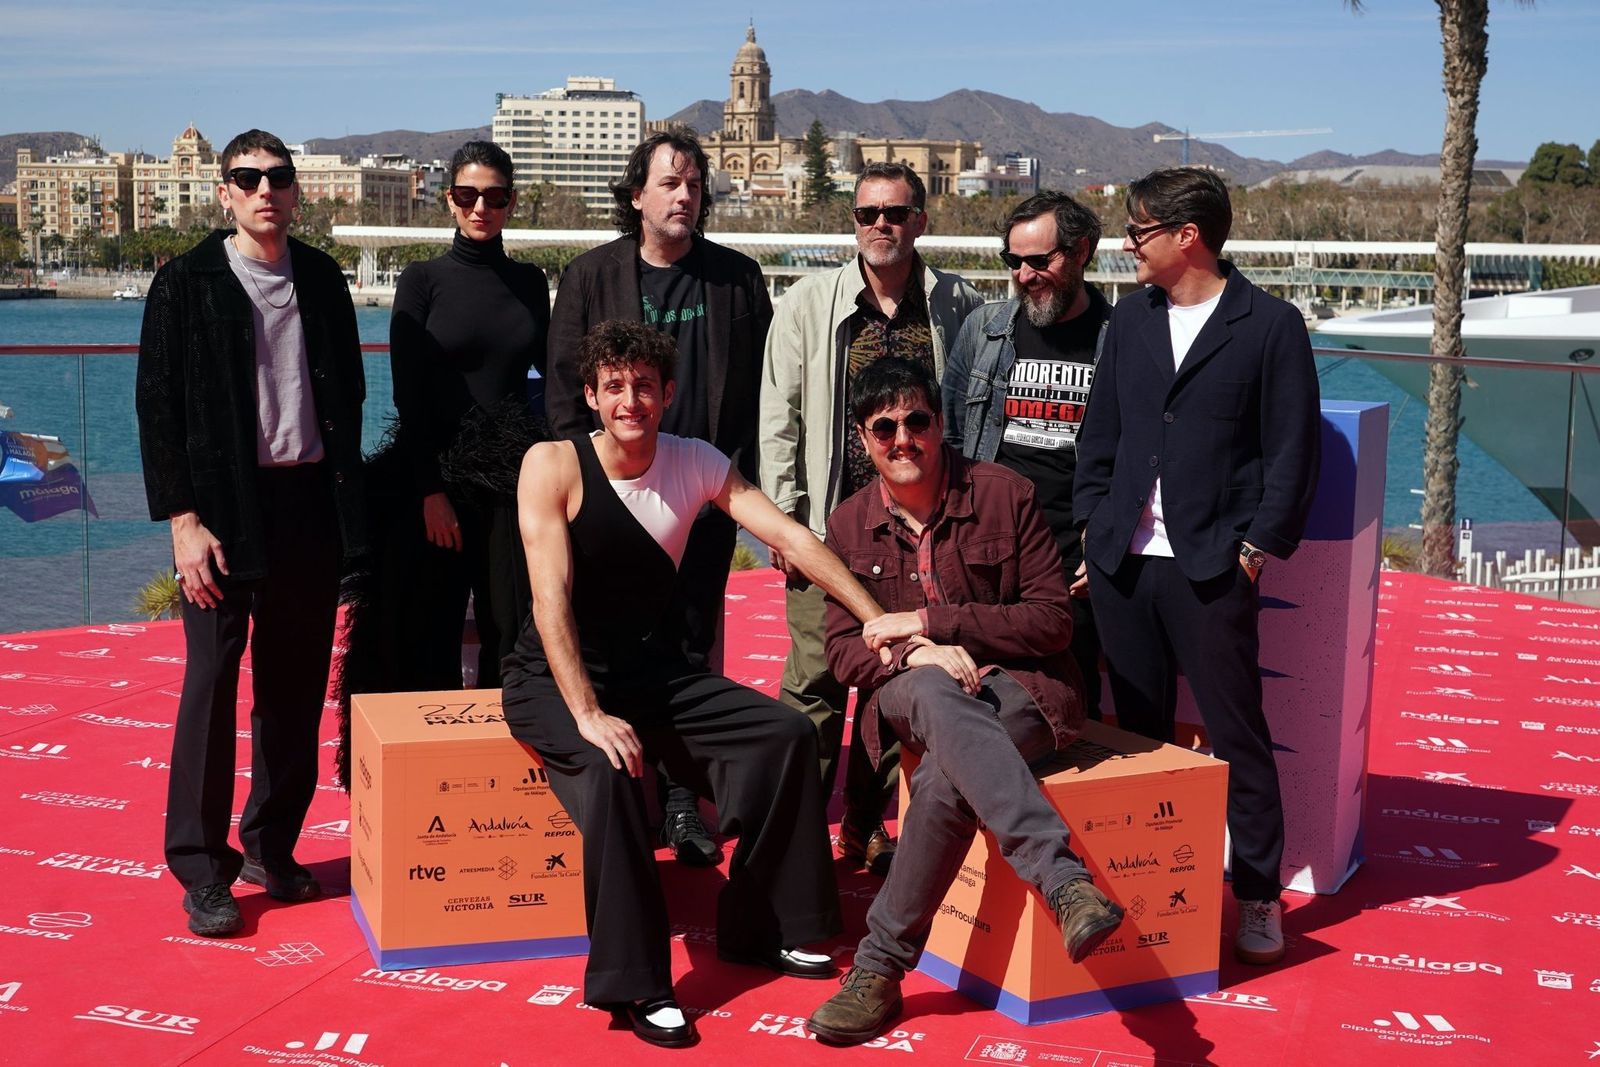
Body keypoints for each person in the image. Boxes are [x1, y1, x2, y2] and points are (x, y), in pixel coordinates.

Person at [503, 320, 885, 1048]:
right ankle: (637, 983)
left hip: (650, 671)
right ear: (590, 394)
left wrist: (878, 618)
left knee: (784, 734)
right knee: (615, 771)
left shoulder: (696, 461)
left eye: (644, 385)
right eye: (614, 386)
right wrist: (586, 712)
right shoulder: (551, 464)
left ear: (668, 393)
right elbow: (549, 598)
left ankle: (763, 924)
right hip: (551, 676)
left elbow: (794, 538)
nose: (630, 400)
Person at [804, 357, 1123, 1044]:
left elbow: (1053, 620)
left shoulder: (1005, 493)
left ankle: (880, 967)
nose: (903, 438)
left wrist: (933, 622)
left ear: (941, 423)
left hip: (1024, 690)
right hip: (913, 693)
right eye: (883, 427)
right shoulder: (850, 524)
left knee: (950, 774)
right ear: (863, 440)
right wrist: (921, 652)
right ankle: (1063, 879)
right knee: (928, 687)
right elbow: (843, 651)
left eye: (917, 420)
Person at [1073, 167, 1321, 966]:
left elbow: (1292, 453)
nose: (1126, 244)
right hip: (1123, 564)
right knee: (1135, 739)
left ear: (1188, 238)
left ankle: (1255, 896)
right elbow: (1099, 435)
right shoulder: (1130, 320)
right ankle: (1144, 895)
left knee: (1237, 736)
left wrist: (1253, 551)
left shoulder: (1269, 325)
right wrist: (1091, 527)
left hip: (1213, 567)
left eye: (1138, 230)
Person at [135, 129, 367, 937]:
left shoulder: (325, 280)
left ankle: (271, 841)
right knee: (211, 684)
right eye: (248, 177)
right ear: (225, 191)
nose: (265, 189)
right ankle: (202, 867)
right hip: (222, 510)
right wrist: (183, 522)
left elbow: (350, 400)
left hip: (309, 503)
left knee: (295, 687)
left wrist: (348, 516)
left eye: (278, 176)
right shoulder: (188, 284)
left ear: (296, 190)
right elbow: (157, 410)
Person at [543, 129, 772, 866]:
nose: (684, 196)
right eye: (670, 183)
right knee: (614, 650)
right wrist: (589, 493)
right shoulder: (589, 277)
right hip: (612, 513)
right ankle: (623, 796)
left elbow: (761, 399)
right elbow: (563, 401)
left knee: (692, 653)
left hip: (702, 504)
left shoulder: (737, 279)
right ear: (636, 194)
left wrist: (743, 492)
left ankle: (683, 801)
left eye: (695, 185)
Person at [758, 163, 983, 874]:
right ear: (852, 222)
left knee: (899, 688)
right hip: (829, 537)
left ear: (920, 219)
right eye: (866, 214)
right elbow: (778, 421)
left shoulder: (959, 305)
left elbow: (972, 420)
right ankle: (793, 836)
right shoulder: (806, 306)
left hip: (921, 532)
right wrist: (786, 525)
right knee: (817, 687)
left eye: (894, 212)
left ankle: (865, 824)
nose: (879, 224)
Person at [943, 190, 1111, 720]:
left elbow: (1140, 453)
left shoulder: (1122, 337)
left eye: (1040, 261)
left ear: (1082, 251)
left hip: (1072, 561)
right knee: (975, 698)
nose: (1023, 275)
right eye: (1013, 261)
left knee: (1072, 701)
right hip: (985, 553)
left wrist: (1104, 538)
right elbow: (951, 439)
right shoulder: (984, 331)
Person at [389, 139, 549, 690]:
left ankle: (503, 752)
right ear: (450, 201)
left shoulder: (530, 283)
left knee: (511, 626)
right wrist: (430, 491)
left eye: (495, 196)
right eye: (467, 194)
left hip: (510, 481)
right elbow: (407, 395)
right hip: (438, 478)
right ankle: (430, 761)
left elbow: (551, 384)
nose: (481, 207)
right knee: (431, 629)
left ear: (510, 203)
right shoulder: (421, 280)